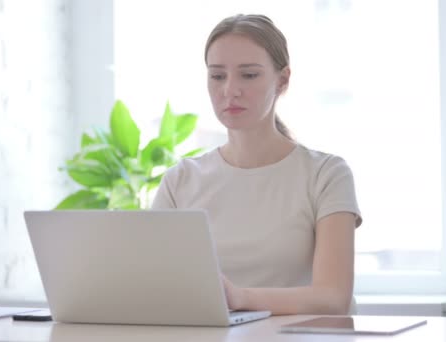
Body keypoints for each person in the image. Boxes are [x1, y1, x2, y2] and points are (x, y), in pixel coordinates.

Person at [152, 14, 362, 315]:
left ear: (283, 80)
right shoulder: (181, 180)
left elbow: (333, 297)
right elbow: (154, 285)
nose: (230, 90)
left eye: (248, 75)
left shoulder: (326, 175)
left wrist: (239, 298)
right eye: (217, 76)